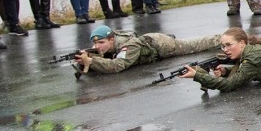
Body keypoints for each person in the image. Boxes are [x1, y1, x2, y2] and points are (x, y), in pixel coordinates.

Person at [72, 25, 221, 74]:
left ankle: (222, 38)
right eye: (95, 44)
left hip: (162, 45)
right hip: (148, 41)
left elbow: (117, 65)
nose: (97, 47)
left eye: (101, 43)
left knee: (193, 46)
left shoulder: (128, 46)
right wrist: (87, 57)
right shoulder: (110, 44)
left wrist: (91, 61)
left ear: (111, 40)